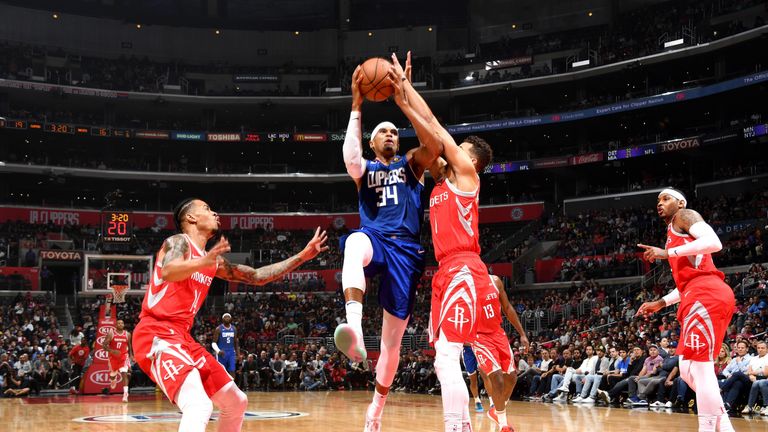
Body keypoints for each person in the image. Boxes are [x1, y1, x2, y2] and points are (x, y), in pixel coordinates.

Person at [132, 198, 328, 432]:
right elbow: (169, 271)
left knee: (236, 401)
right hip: (156, 334)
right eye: (206, 208)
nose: (215, 212)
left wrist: (302, 257)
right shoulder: (178, 242)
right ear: (191, 218)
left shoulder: (212, 261)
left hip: (183, 338)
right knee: (198, 405)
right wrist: (202, 261)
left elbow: (256, 276)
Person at [387, 53, 502, 432]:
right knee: (442, 359)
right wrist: (403, 101)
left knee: (450, 353)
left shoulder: (467, 174)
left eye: (459, 148)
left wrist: (406, 90)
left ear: (472, 159)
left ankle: (455, 426)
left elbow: (435, 129)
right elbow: (429, 141)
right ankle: (463, 425)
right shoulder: (441, 181)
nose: (451, 152)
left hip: (465, 269)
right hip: (446, 271)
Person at [333, 53, 440, 432]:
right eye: (385, 133)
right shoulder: (366, 169)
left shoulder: (411, 164)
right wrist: (356, 104)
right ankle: (354, 329)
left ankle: (376, 408)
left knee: (392, 344)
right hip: (375, 237)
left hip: (407, 251)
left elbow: (434, 144)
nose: (392, 136)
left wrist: (405, 96)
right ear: (373, 142)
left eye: (395, 132)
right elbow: (349, 158)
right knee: (352, 244)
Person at [636, 188, 736, 432]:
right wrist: (661, 303)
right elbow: (686, 283)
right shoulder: (673, 233)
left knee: (700, 369)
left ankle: (709, 428)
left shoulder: (684, 215)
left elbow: (715, 243)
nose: (660, 203)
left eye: (666, 198)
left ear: (680, 202)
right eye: (658, 200)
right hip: (695, 295)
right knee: (689, 370)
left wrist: (667, 253)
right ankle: (725, 427)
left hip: (707, 295)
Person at [478, 275, 529, 427]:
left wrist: (522, 334)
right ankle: (503, 425)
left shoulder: (495, 281)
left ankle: (497, 410)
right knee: (497, 377)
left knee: (512, 377)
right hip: (479, 336)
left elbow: (507, 308)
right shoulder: (465, 285)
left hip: (498, 333)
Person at [101, 318, 132, 402]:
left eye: (122, 323)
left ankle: (125, 394)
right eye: (119, 323)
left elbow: (129, 345)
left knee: (124, 373)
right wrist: (112, 351)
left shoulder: (127, 334)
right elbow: (103, 345)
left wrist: (131, 355)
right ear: (116, 325)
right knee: (112, 374)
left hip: (123, 356)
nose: (120, 324)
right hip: (113, 357)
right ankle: (113, 379)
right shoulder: (111, 334)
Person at [213, 313, 239, 379]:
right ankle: (220, 386)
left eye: (228, 317)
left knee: (232, 370)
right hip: (222, 352)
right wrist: (218, 351)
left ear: (231, 319)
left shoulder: (234, 329)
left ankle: (232, 386)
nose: (227, 318)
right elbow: (213, 343)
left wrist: (238, 354)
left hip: (231, 352)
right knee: (221, 370)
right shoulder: (218, 329)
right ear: (222, 319)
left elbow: (236, 342)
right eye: (225, 317)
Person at [462, 345, 485, 412]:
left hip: (480, 348)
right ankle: (477, 400)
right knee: (473, 380)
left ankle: (492, 403)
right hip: (468, 351)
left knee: (485, 374)